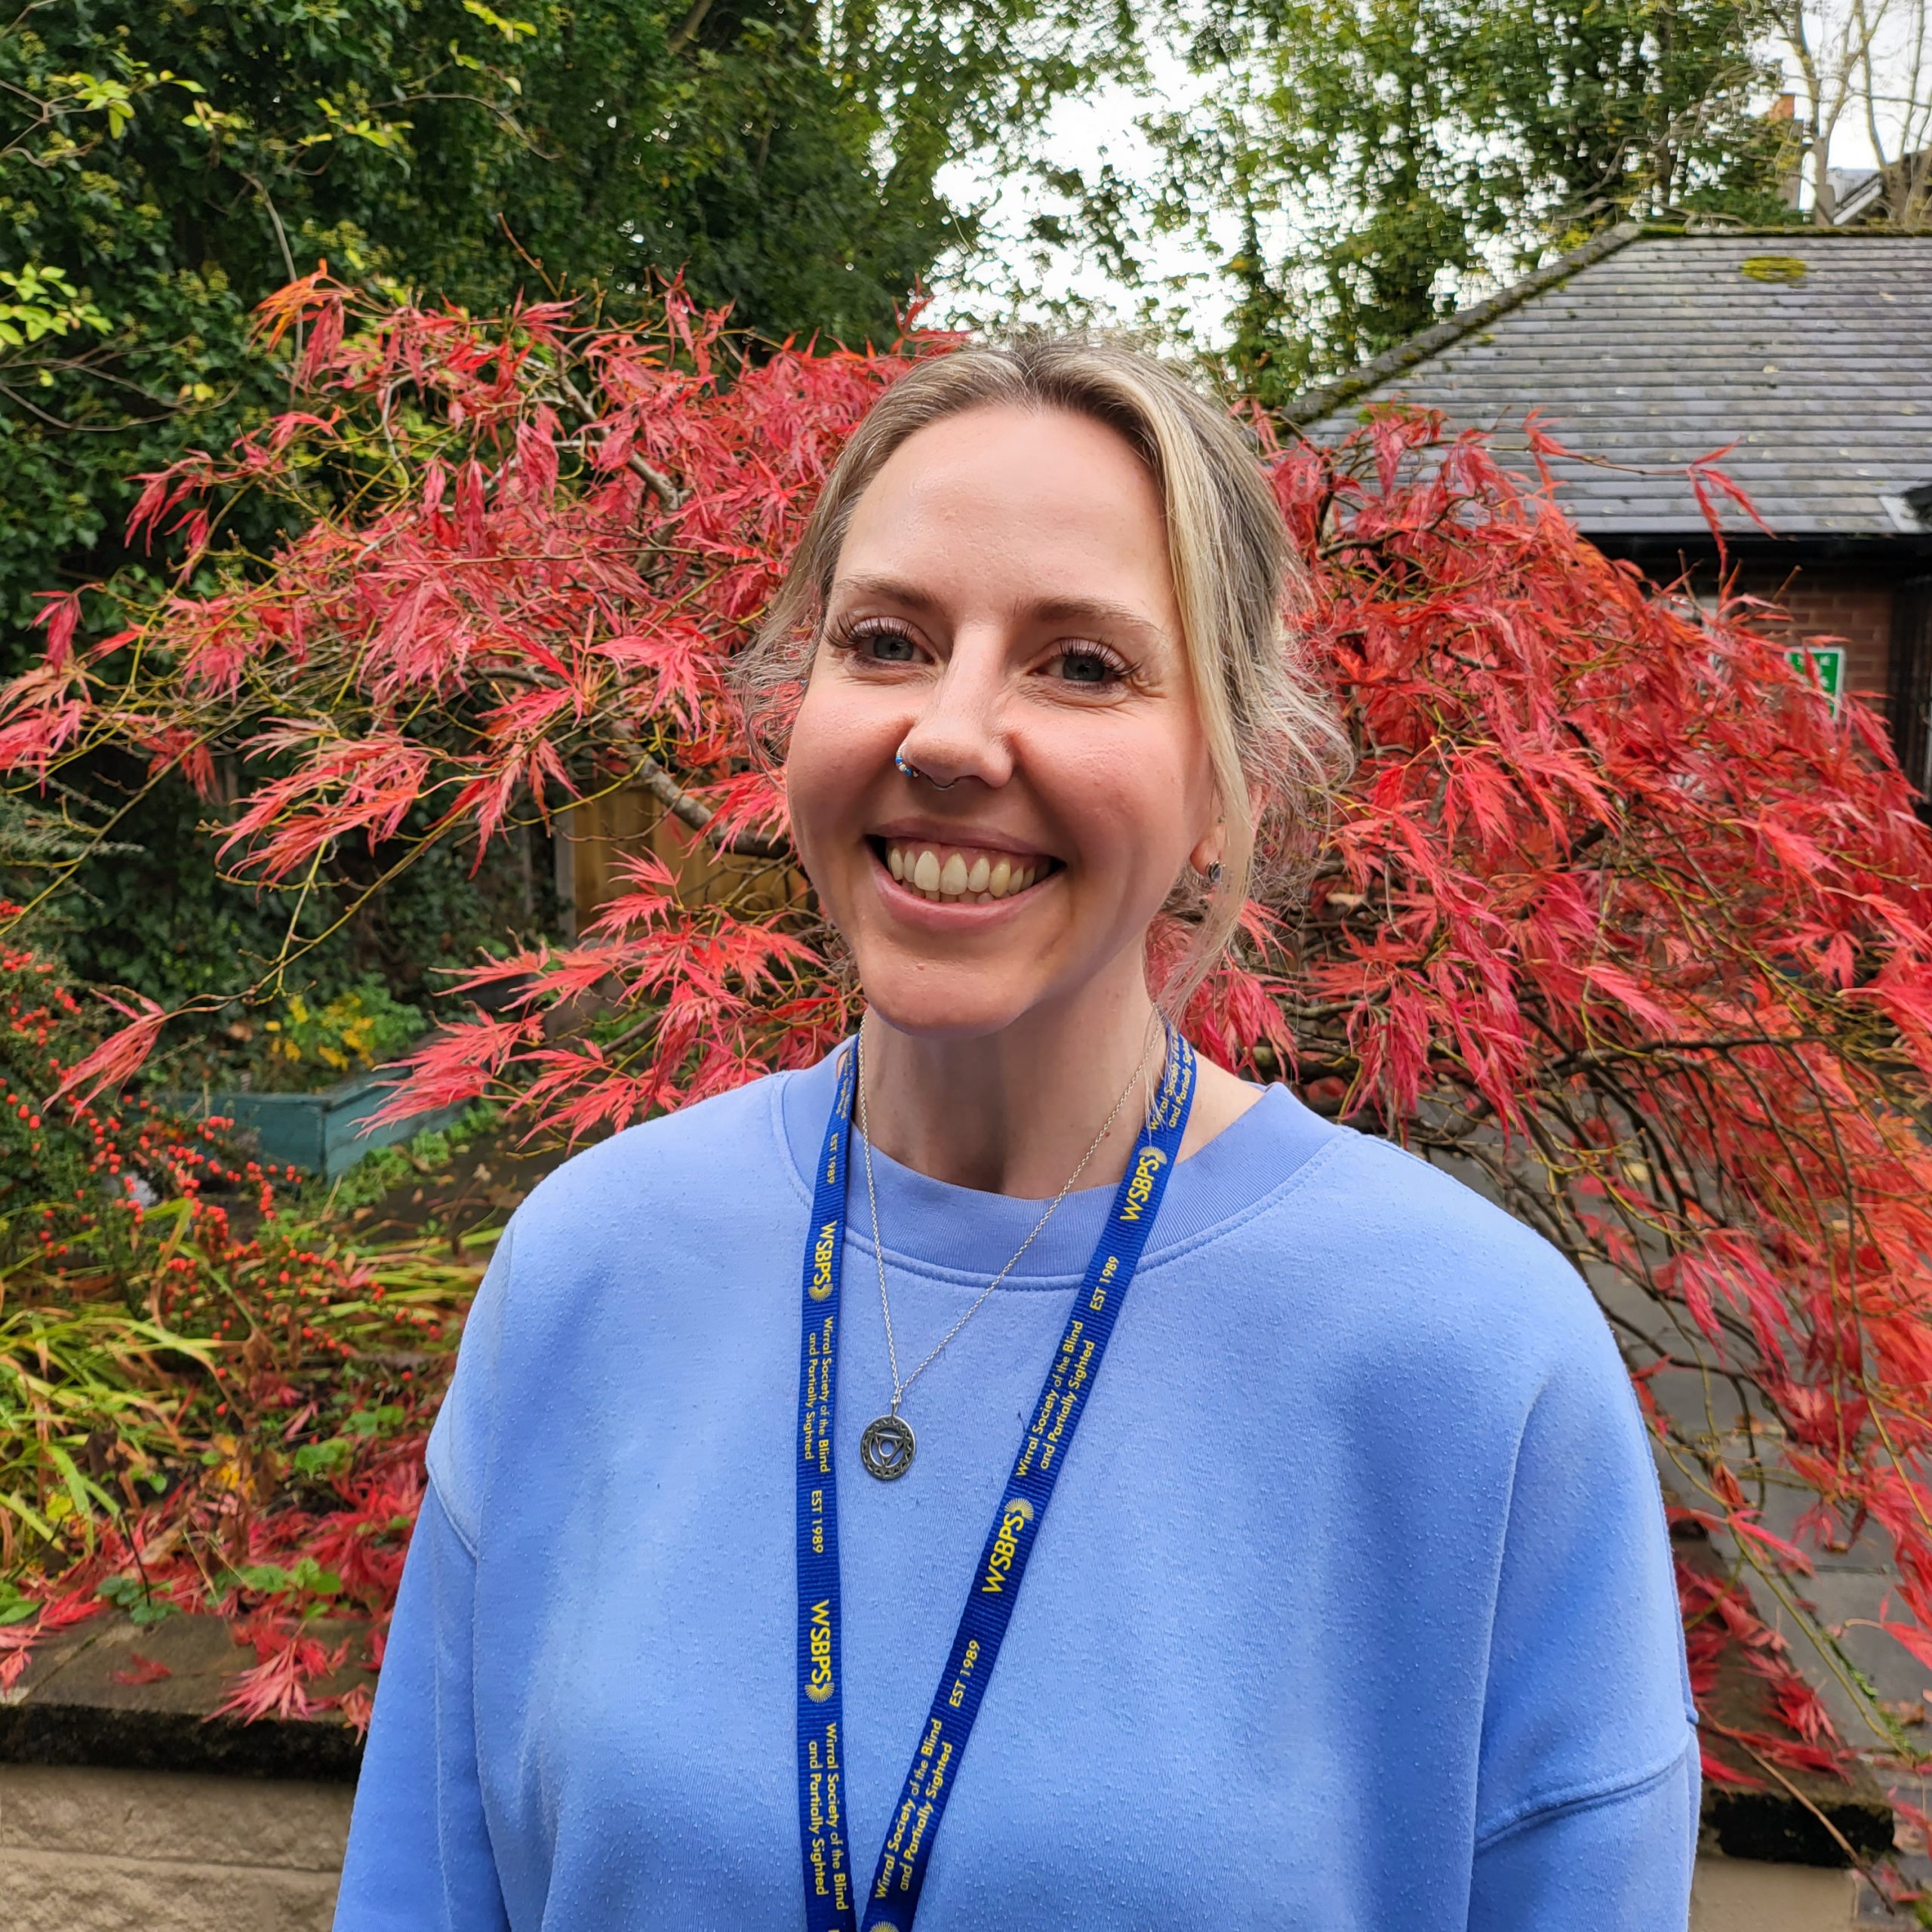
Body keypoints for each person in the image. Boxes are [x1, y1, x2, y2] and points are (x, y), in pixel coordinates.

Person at [334, 338, 1697, 1930]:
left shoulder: (1470, 1358)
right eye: (887, 640)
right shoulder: (590, 1265)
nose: (951, 734)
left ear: (1226, 781)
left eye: (1083, 665)